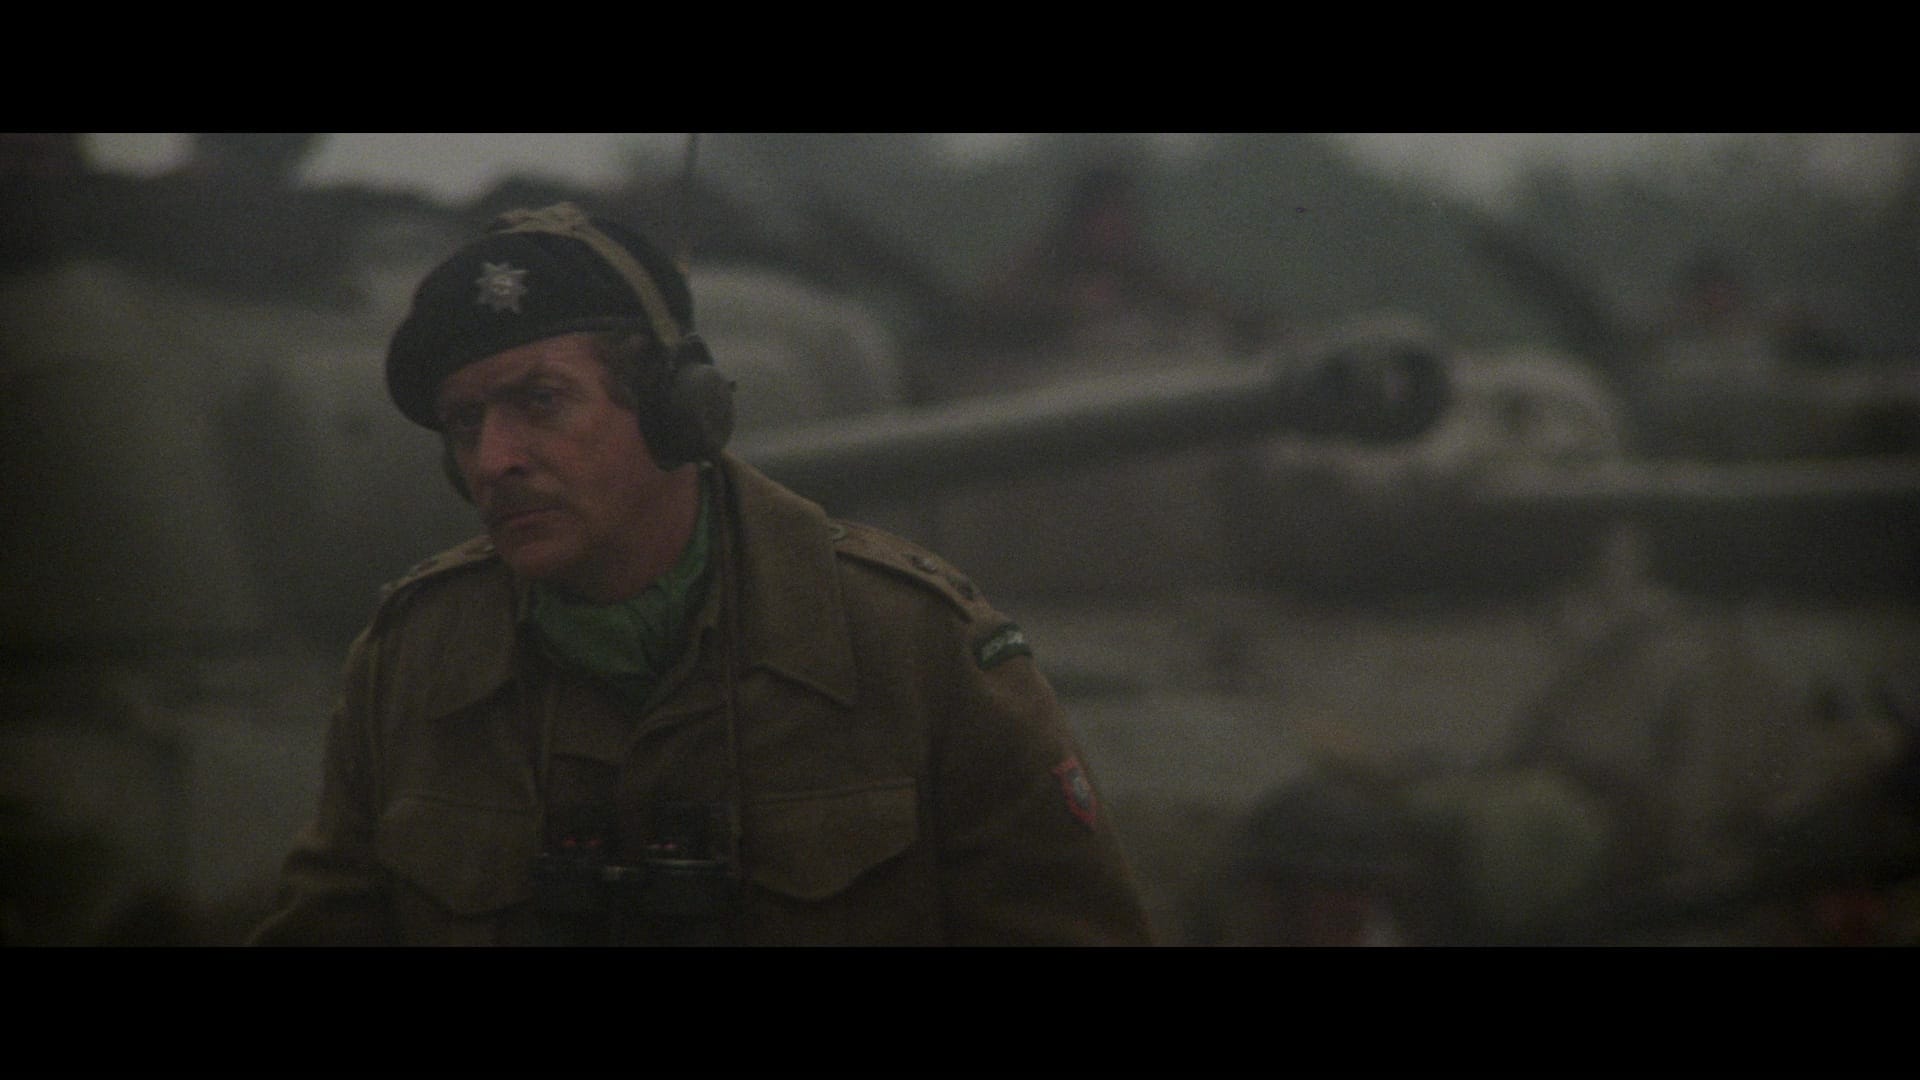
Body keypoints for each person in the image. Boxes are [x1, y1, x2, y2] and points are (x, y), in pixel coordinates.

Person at [249, 203, 1153, 946]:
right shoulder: (413, 666)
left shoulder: (909, 646)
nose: (494, 460)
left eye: (541, 401)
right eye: (464, 424)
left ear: (677, 410)